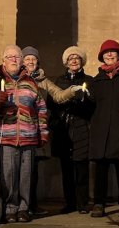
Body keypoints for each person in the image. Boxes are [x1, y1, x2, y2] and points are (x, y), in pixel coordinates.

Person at [0, 45, 49, 223]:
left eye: (17, 57)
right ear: (3, 60)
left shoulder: (31, 81)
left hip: (28, 135)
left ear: (22, 60)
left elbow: (41, 108)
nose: (13, 60)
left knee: (26, 175)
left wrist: (42, 132)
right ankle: (10, 208)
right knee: (9, 174)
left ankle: (24, 208)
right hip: (6, 135)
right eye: (9, 57)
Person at [20, 46, 78, 215]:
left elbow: (58, 95)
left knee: (34, 168)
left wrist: (71, 91)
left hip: (37, 128)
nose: (31, 61)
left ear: (38, 62)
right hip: (20, 128)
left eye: (34, 59)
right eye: (27, 58)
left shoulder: (43, 80)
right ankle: (18, 205)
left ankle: (32, 204)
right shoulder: (18, 78)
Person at [88, 40, 119, 218]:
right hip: (100, 131)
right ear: (102, 56)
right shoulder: (97, 80)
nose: (109, 55)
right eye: (106, 52)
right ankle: (99, 204)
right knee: (100, 169)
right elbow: (90, 107)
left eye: (113, 52)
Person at [48, 46, 94, 214]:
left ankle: (82, 203)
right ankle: (70, 203)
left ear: (82, 61)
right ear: (65, 63)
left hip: (81, 128)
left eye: (77, 58)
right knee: (66, 169)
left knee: (81, 169)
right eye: (70, 58)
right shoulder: (59, 81)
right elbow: (51, 103)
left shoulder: (89, 80)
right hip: (63, 130)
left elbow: (93, 105)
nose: (73, 60)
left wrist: (85, 99)